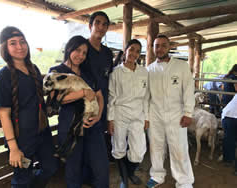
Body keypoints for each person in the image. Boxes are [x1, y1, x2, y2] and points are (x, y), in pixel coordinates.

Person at [0, 26, 57, 188]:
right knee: (23, 178)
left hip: (42, 134)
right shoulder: (3, 76)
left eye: (22, 42)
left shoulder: (33, 69)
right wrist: (14, 148)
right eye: (13, 43)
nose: (20, 47)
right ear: (5, 48)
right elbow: (4, 114)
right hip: (22, 140)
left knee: (50, 167)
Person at [49, 35, 108, 188]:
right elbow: (56, 100)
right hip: (70, 127)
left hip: (92, 125)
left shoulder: (87, 71)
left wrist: (99, 115)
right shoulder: (57, 71)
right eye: (77, 50)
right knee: (73, 168)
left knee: (100, 166)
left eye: (84, 53)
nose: (80, 55)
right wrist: (82, 93)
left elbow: (100, 95)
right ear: (69, 48)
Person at [146, 35, 195, 188]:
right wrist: (146, 117)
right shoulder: (149, 70)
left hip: (177, 115)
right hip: (155, 115)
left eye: (163, 45)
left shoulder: (181, 66)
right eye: (156, 46)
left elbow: (188, 90)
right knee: (156, 147)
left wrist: (188, 113)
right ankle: (157, 175)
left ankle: (184, 181)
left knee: (179, 148)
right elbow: (146, 97)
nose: (159, 49)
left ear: (169, 47)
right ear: (153, 48)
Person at [107, 39, 149, 188]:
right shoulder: (116, 72)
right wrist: (110, 119)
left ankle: (130, 172)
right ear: (125, 50)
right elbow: (112, 97)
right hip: (120, 113)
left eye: (137, 51)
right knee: (118, 148)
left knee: (138, 151)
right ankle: (125, 179)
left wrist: (147, 117)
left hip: (138, 115)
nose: (134, 53)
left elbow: (146, 96)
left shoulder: (144, 72)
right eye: (131, 49)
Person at [81, 11, 113, 183]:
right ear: (90, 26)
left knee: (97, 137)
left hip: (103, 103)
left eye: (104, 24)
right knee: (84, 142)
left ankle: (91, 177)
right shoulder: (81, 49)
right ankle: (87, 176)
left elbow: (108, 77)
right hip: (84, 105)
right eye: (97, 23)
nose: (101, 27)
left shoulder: (108, 53)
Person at [221, 82, 237, 168]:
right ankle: (228, 159)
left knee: (229, 138)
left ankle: (228, 159)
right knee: (229, 139)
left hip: (229, 116)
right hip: (229, 116)